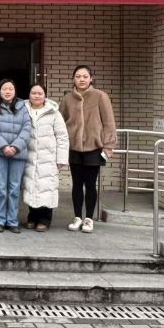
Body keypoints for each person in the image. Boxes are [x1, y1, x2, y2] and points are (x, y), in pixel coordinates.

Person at [60, 65, 116, 234]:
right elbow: (60, 122)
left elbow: (109, 123)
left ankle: (89, 219)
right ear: (73, 79)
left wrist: (108, 146)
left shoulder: (100, 96)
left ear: (91, 78)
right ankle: (77, 217)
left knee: (90, 184)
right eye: (78, 76)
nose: (81, 79)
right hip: (74, 148)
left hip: (94, 147)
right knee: (76, 184)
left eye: (85, 76)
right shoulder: (67, 98)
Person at [0, 79, 31, 233]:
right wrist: (4, 146)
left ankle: (12, 220)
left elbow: (27, 128)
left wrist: (15, 147)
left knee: (14, 188)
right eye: (4, 89)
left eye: (11, 89)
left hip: (18, 154)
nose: (7, 91)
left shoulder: (23, 107)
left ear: (15, 91)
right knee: (0, 188)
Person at [22, 83, 69, 232]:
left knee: (47, 188)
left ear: (45, 95)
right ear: (29, 95)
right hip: (30, 156)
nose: (36, 96)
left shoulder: (53, 112)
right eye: (33, 93)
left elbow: (62, 136)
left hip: (48, 157)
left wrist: (61, 159)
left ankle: (45, 219)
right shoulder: (23, 110)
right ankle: (32, 217)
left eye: (40, 93)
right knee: (31, 186)